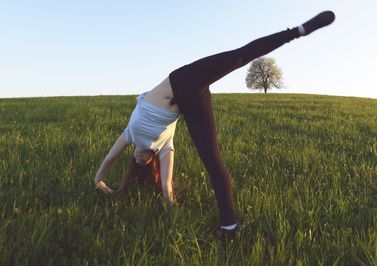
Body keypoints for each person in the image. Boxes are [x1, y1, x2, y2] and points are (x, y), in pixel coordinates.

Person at [94, 11, 336, 234]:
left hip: (183, 79)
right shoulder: (164, 148)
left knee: (239, 56)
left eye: (135, 158)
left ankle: (297, 31)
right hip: (191, 102)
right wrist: (171, 214)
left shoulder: (130, 135)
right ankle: (229, 226)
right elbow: (167, 190)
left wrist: (100, 182)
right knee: (213, 162)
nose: (138, 157)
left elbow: (109, 159)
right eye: (143, 161)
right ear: (151, 160)